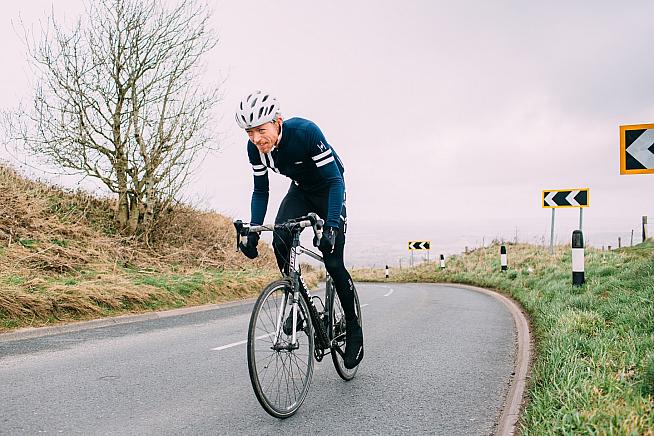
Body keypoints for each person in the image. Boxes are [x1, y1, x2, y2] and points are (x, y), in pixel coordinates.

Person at [235, 90, 363, 369]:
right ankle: (298, 300)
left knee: (332, 260)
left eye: (261, 129)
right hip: (301, 191)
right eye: (249, 132)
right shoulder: (254, 150)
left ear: (277, 121)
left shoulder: (305, 132)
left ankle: (353, 329)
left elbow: (334, 182)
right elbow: (260, 190)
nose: (256, 138)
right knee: (280, 240)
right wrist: (254, 231)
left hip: (329, 190)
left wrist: (330, 226)